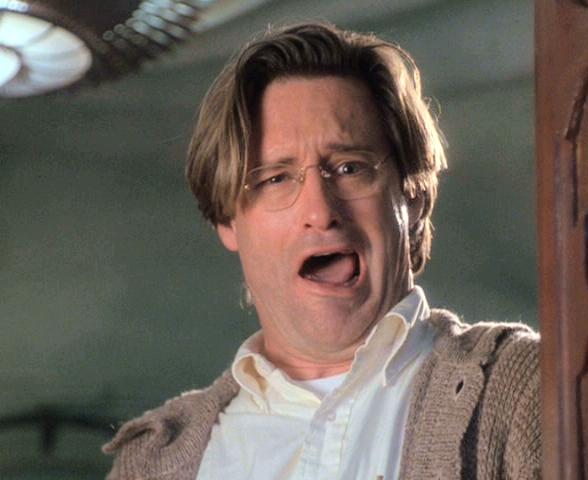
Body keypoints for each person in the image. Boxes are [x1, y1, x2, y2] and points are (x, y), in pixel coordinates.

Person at [103, 22, 540, 480]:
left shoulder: (528, 390)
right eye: (276, 178)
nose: (320, 211)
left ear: (411, 195)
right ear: (227, 221)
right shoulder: (148, 463)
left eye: (350, 168)